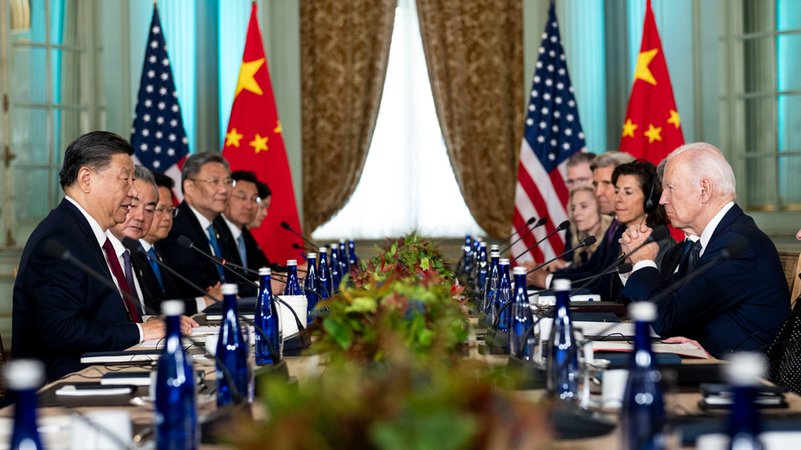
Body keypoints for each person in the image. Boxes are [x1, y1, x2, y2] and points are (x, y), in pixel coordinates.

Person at [12, 131, 164, 380]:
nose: (133, 192)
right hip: (62, 387)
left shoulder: (83, 232)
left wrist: (151, 324)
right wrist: (140, 332)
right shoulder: (60, 239)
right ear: (86, 179)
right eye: (125, 179)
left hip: (101, 370)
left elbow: (103, 315)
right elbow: (60, 331)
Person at [620, 142, 789, 357]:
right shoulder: (707, 241)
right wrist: (635, 264)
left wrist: (643, 261)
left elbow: (667, 318)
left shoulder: (737, 245)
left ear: (704, 190)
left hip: (744, 378)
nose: (662, 200)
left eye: (670, 188)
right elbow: (669, 303)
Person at [526, 151, 635, 300]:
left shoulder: (631, 227)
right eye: (595, 184)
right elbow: (592, 269)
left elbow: (602, 283)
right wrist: (547, 276)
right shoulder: (615, 225)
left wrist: (548, 279)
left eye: (606, 183)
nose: (597, 192)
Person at [158, 152, 232, 299]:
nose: (224, 190)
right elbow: (194, 283)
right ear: (189, 187)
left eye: (228, 181)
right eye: (214, 181)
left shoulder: (219, 223)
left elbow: (233, 273)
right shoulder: (176, 225)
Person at [562, 152, 597, 263]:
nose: (576, 187)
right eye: (571, 181)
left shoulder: (612, 220)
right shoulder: (573, 218)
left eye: (582, 180)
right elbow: (571, 261)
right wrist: (564, 266)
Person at [568, 185, 611, 266]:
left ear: (600, 207)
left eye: (584, 206)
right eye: (573, 208)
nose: (576, 213)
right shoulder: (580, 245)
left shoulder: (612, 240)